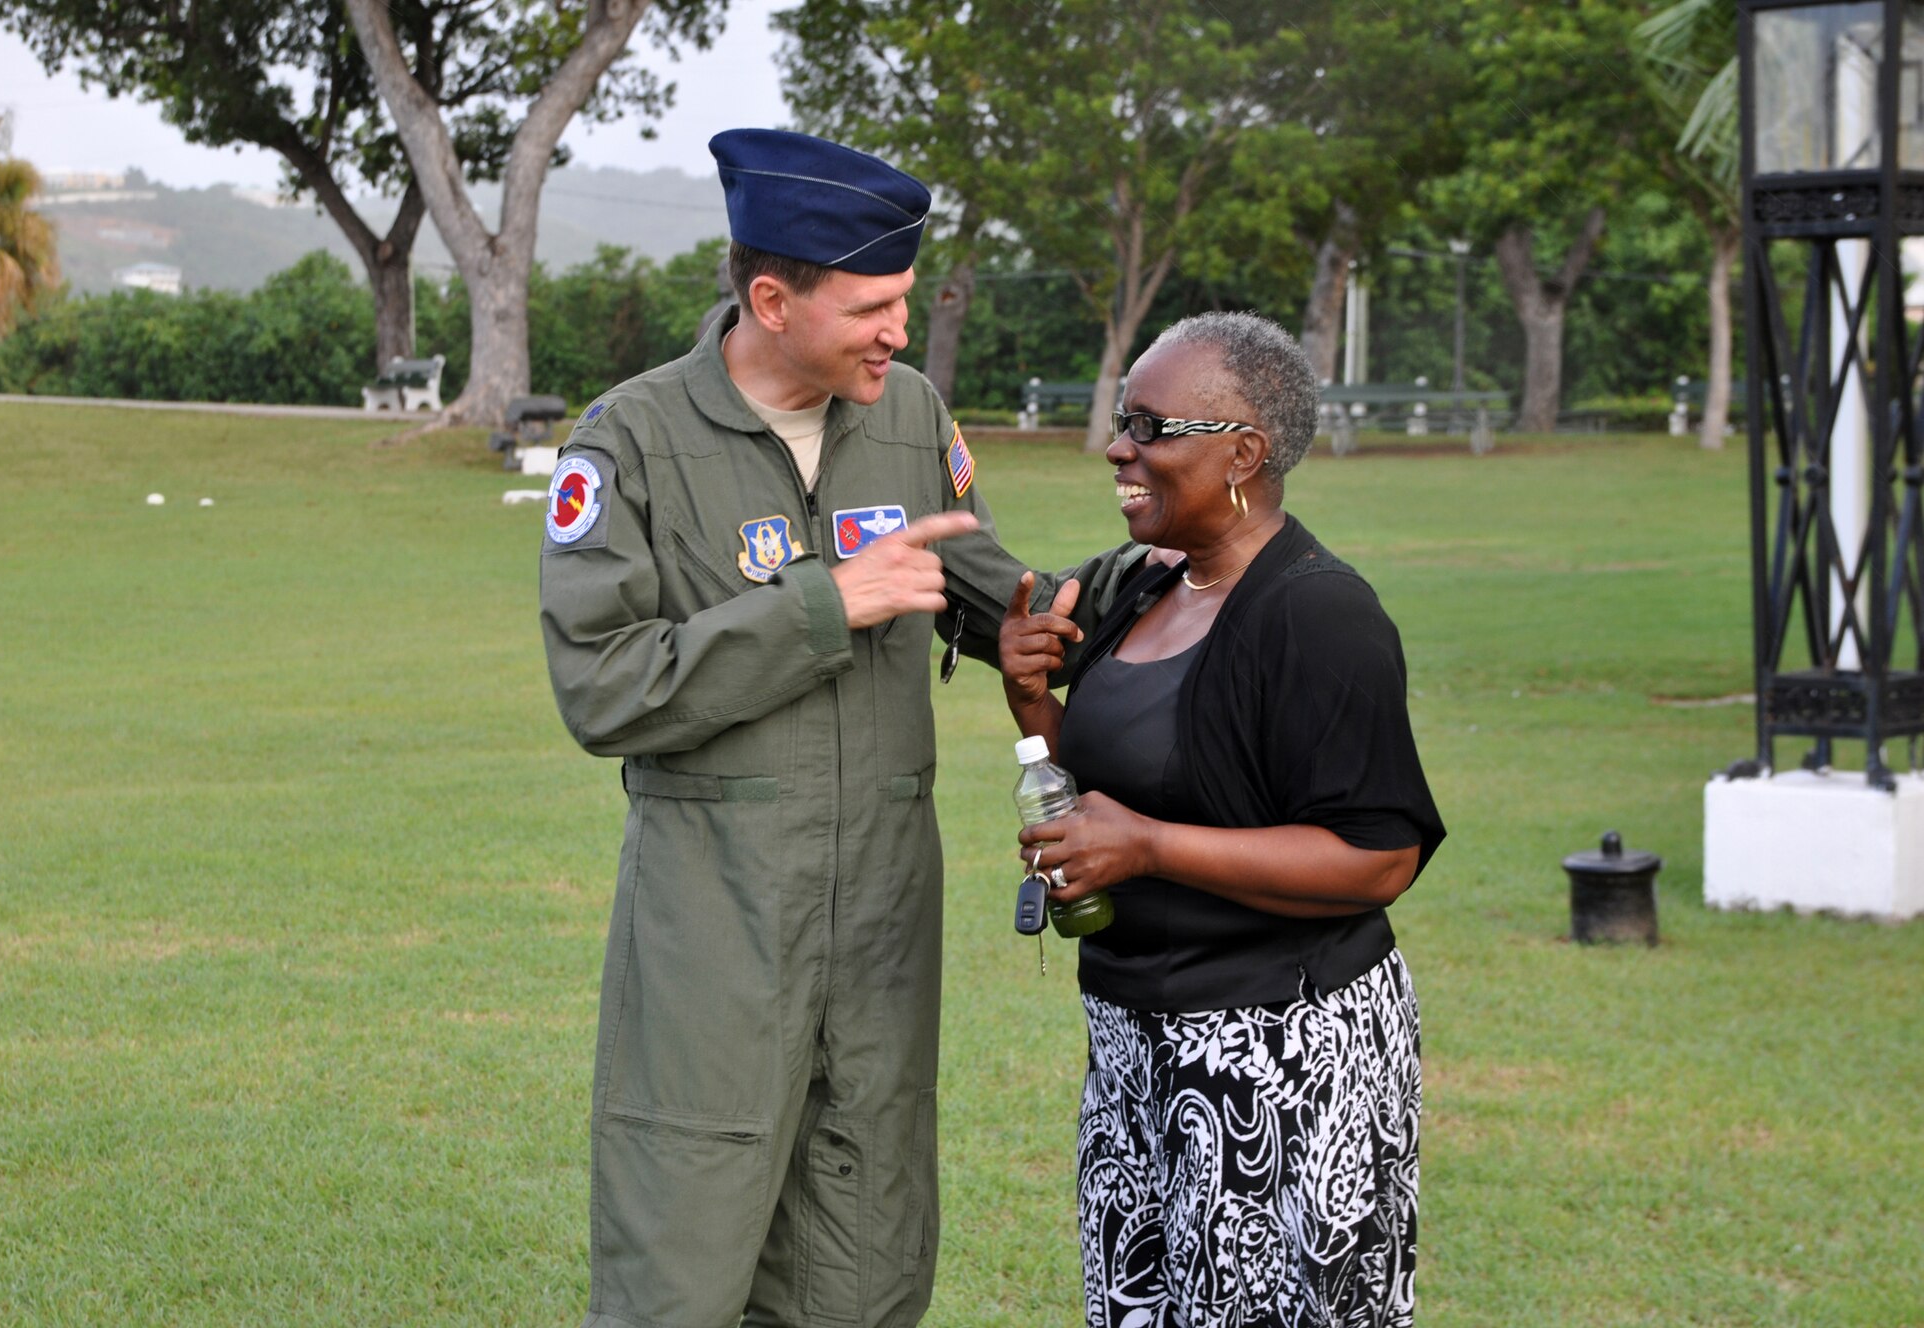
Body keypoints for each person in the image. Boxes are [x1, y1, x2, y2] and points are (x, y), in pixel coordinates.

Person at [539, 128, 1143, 1328]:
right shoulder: (629, 441)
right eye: (870, 306)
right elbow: (601, 685)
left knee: (863, 1251)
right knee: (684, 1245)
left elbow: (980, 584)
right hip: (715, 920)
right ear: (771, 298)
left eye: (904, 302)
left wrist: (1024, 625)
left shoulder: (909, 414)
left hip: (882, 913)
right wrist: (825, 603)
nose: (897, 333)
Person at [999, 312, 1444, 1328]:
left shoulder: (1318, 613)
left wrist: (1147, 846)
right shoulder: (1140, 584)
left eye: (1150, 426)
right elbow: (1108, 779)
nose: (1119, 446)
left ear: (1242, 451)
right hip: (1132, 1042)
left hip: (1281, 1056)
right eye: (1122, 420)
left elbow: (1378, 854)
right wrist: (1033, 702)